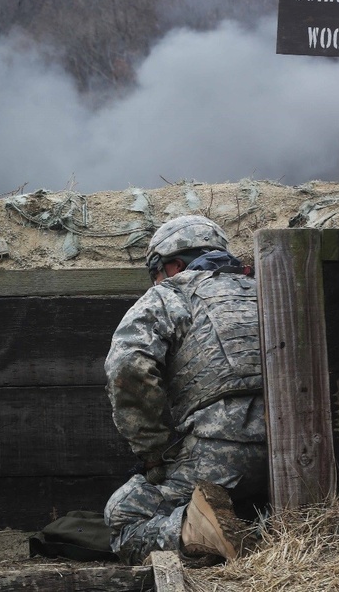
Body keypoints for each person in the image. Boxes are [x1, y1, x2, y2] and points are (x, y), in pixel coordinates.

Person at [103, 215, 266, 565]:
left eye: (156, 273)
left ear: (173, 265)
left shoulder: (170, 293)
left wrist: (154, 451)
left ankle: (194, 531)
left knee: (123, 517)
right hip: (297, 456)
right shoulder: (271, 289)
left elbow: (127, 367)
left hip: (219, 458)